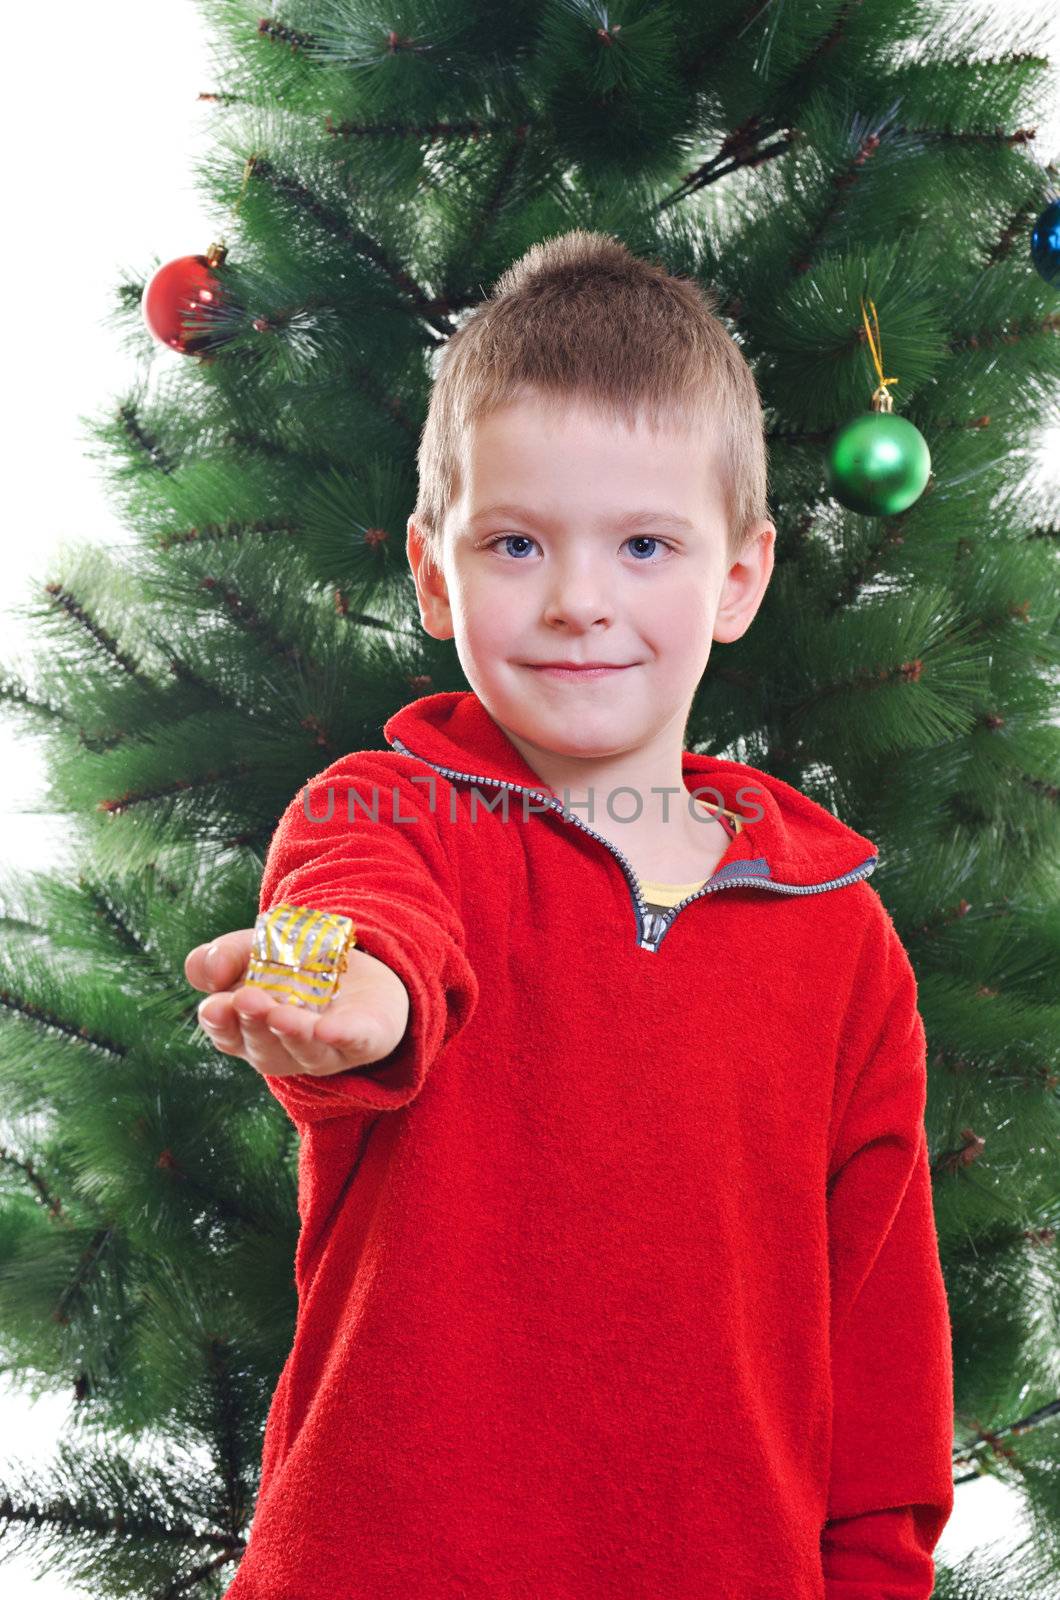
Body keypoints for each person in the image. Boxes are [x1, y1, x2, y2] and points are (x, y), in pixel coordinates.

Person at [185, 230, 954, 1599]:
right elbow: (343, 916)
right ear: (433, 572)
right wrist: (352, 999)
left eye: (646, 544)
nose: (578, 601)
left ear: (738, 578)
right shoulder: (381, 811)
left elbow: (883, 1337)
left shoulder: (839, 934)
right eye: (518, 543)